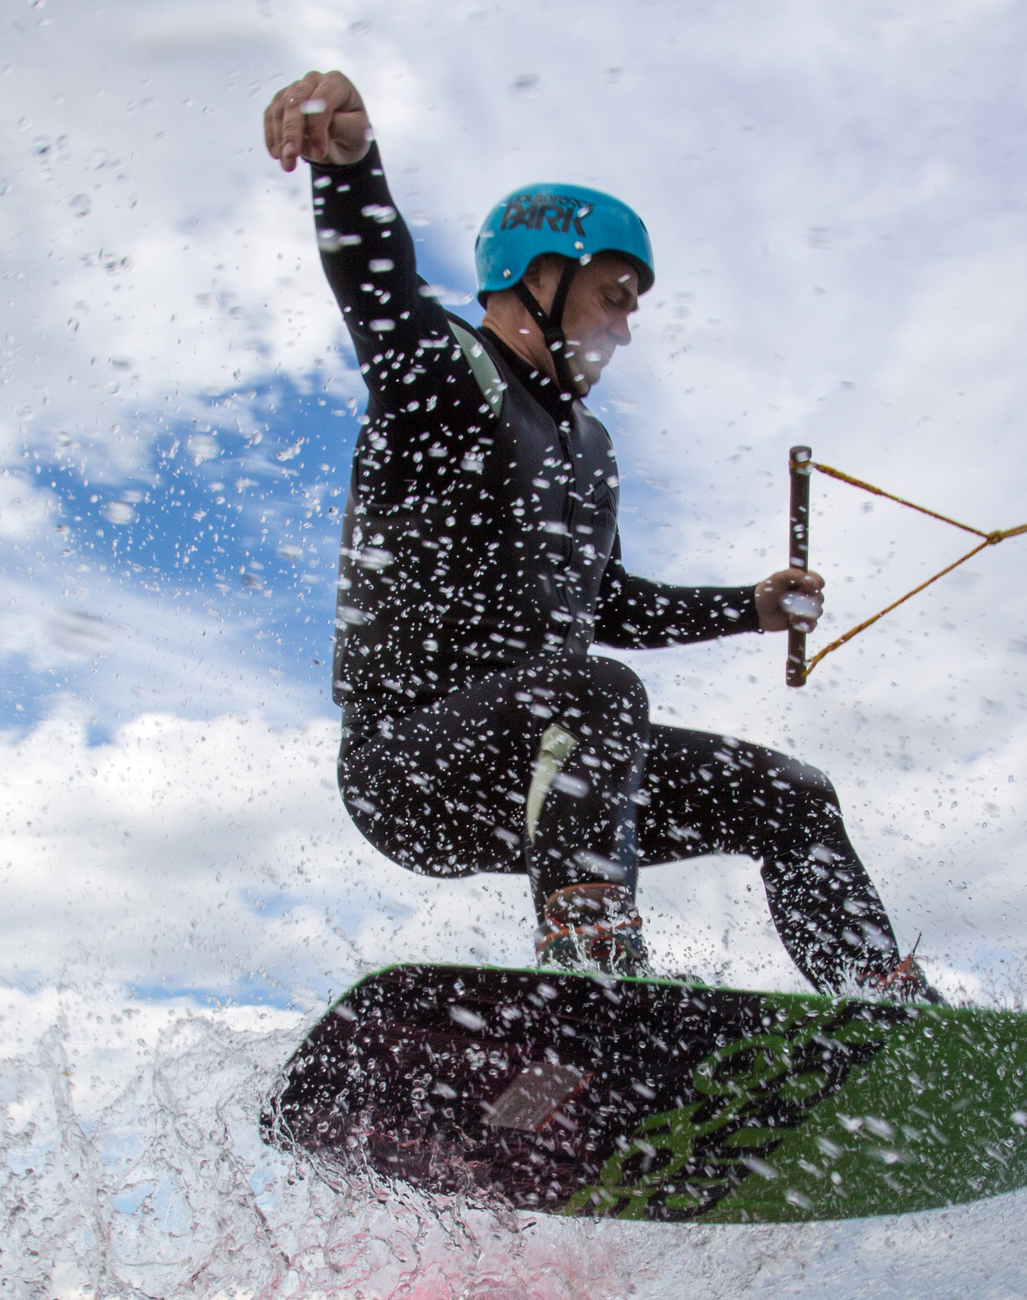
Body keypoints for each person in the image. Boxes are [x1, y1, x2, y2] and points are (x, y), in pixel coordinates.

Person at [263, 71, 934, 1000]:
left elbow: (609, 603)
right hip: (410, 763)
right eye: (614, 296)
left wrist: (750, 607)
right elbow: (380, 295)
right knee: (597, 691)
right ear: (540, 277)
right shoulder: (447, 378)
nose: (625, 327)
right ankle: (590, 982)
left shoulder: (587, 445)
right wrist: (347, 169)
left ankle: (885, 1016)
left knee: (791, 791)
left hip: (560, 765)